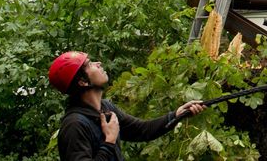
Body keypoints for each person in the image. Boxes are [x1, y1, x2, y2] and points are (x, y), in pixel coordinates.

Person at [49, 51, 206, 161]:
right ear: (82, 81)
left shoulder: (105, 108)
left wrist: (176, 115)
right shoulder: (74, 125)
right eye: (90, 64)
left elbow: (142, 130)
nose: (98, 63)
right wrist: (109, 141)